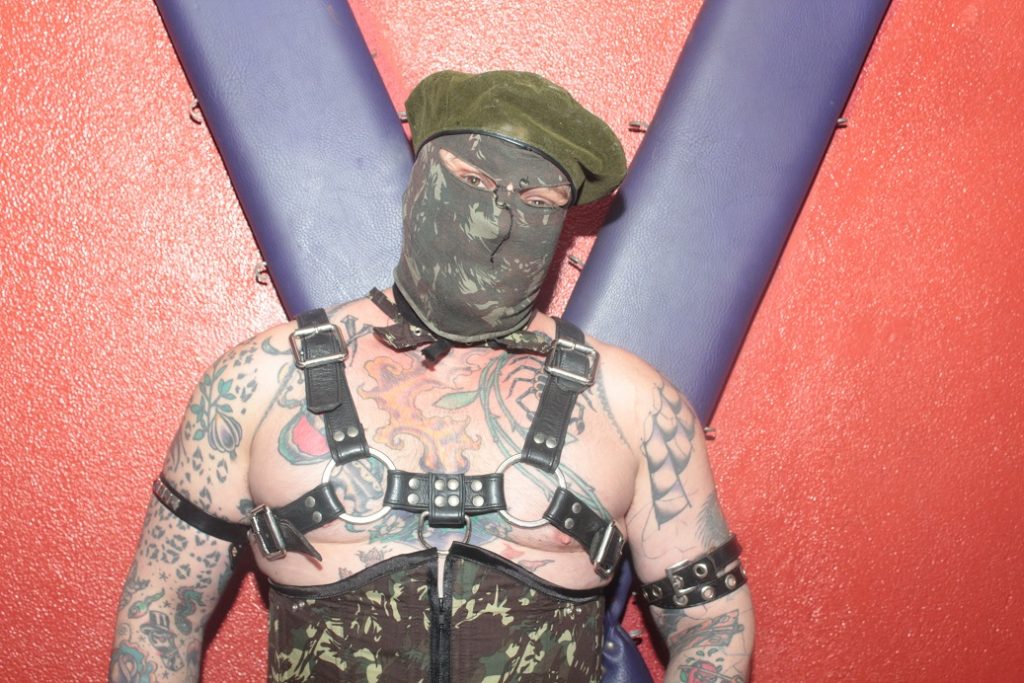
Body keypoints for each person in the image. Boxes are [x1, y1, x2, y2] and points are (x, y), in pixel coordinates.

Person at [110, 70, 754, 683]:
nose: (499, 220)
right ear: (418, 183)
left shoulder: (635, 405)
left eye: (537, 200)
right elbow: (161, 610)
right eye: (474, 179)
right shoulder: (257, 383)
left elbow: (713, 626)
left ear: (562, 225)